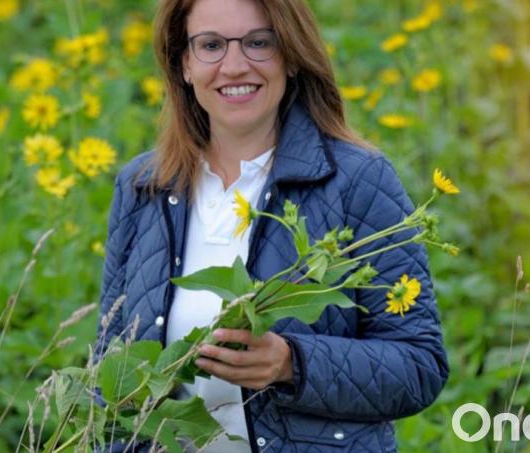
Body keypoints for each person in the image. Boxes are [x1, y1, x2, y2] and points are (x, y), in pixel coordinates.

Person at [96, 0, 449, 451]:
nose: (235, 65)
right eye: (211, 45)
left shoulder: (357, 181)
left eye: (259, 42)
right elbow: (111, 372)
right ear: (183, 62)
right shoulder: (142, 187)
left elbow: (419, 365)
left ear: (292, 55)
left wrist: (292, 364)